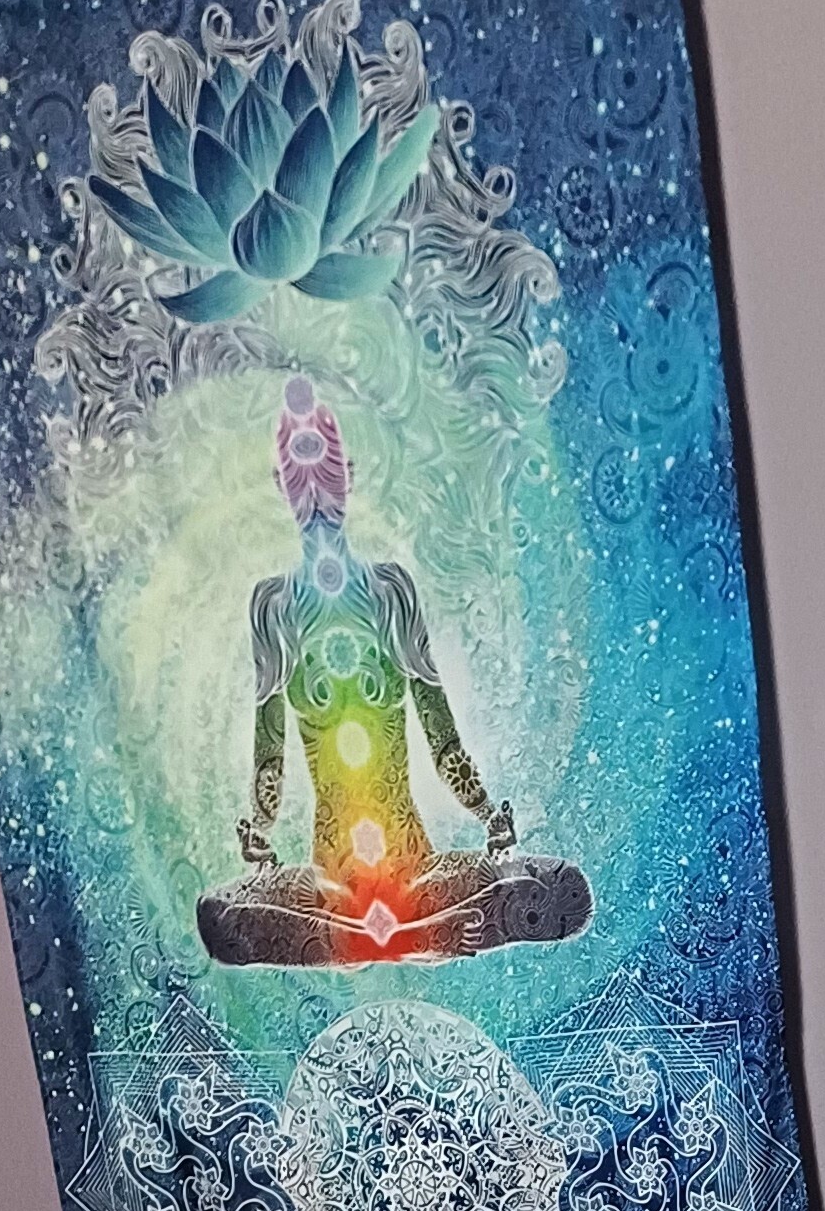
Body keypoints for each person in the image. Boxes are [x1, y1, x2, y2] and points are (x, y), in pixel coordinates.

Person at [197, 378, 590, 968]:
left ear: (349, 475)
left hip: (414, 866)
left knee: (545, 889)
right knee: (231, 918)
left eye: (326, 471)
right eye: (301, 477)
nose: (315, 491)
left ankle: (395, 934)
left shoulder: (390, 592)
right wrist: (260, 832)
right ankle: (410, 936)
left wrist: (489, 818)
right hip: (332, 881)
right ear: (281, 485)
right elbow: (269, 754)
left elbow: (442, 739)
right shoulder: (273, 608)